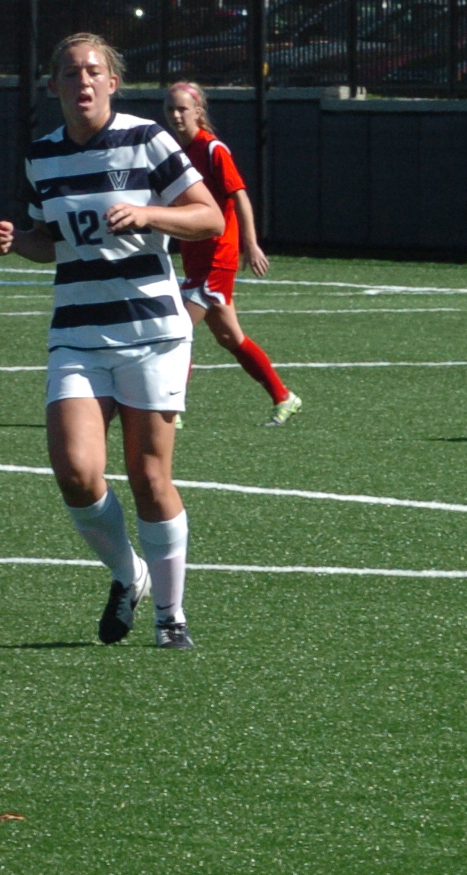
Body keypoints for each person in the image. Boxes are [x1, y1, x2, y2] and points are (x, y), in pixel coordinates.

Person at [0, 34, 223, 648]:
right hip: (77, 330)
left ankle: (170, 616)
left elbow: (209, 216)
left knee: (149, 477)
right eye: (71, 73)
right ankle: (130, 575)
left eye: (94, 71)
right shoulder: (42, 155)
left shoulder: (146, 139)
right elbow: (51, 241)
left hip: (152, 331)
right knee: (76, 471)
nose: (83, 82)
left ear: (113, 82)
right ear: (53, 86)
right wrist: (17, 241)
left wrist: (151, 214)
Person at [165, 81, 301, 427]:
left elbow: (239, 196)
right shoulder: (176, 151)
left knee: (177, 327)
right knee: (230, 337)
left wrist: (250, 244)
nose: (176, 115)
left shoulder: (212, 149)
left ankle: (170, 410)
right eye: (170, 109)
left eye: (182, 109)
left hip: (217, 257)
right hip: (196, 257)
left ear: (198, 111)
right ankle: (283, 396)